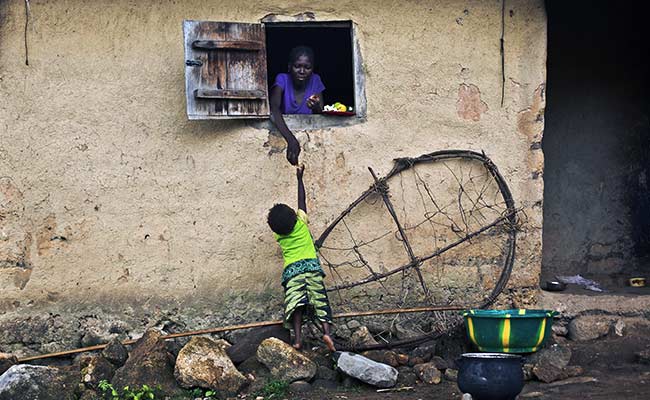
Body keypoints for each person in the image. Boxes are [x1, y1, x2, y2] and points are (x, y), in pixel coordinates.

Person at [267, 164, 336, 352]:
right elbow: (301, 200)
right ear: (295, 217)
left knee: (296, 305)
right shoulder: (301, 223)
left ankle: (297, 340)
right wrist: (299, 178)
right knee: (320, 302)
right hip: (312, 268)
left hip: (293, 272)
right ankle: (327, 333)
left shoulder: (279, 236)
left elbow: (278, 225)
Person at [270, 46, 325, 165]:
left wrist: (315, 107)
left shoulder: (315, 80)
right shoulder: (282, 80)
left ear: (312, 69)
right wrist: (290, 139)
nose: (302, 71)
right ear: (289, 67)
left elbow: (321, 113)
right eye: (297, 66)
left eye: (307, 67)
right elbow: (274, 108)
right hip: (287, 136)